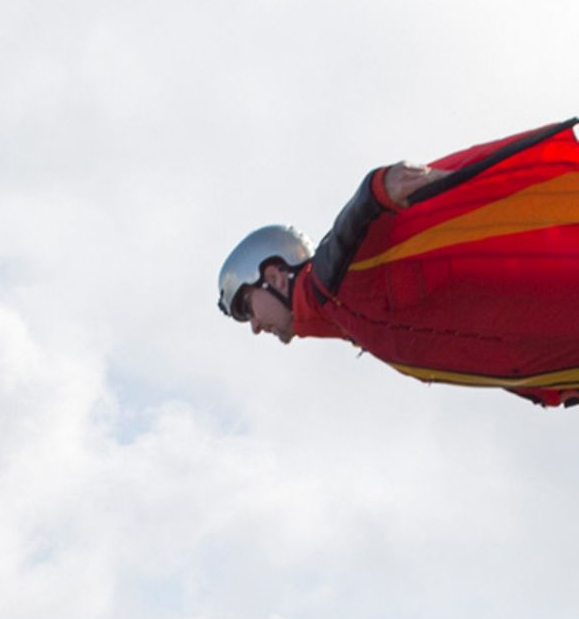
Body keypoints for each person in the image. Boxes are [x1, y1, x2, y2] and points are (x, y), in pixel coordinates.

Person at [218, 118, 579, 407]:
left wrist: (377, 189)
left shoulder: (339, 283)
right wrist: (545, 388)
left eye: (248, 307)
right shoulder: (360, 326)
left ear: (275, 277)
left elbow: (351, 232)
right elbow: (473, 347)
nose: (254, 326)